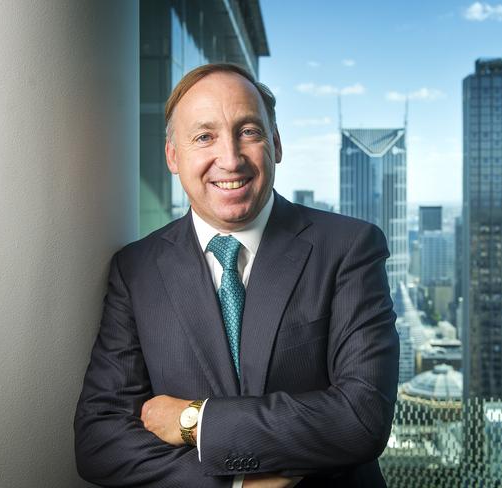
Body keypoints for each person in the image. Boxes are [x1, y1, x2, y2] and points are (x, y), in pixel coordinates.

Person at [74, 62, 399, 488]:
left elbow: (360, 418)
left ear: (276, 144)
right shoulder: (136, 270)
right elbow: (99, 440)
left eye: (248, 132)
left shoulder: (349, 248)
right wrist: (236, 484)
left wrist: (196, 421)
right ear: (173, 156)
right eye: (204, 137)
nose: (229, 159)